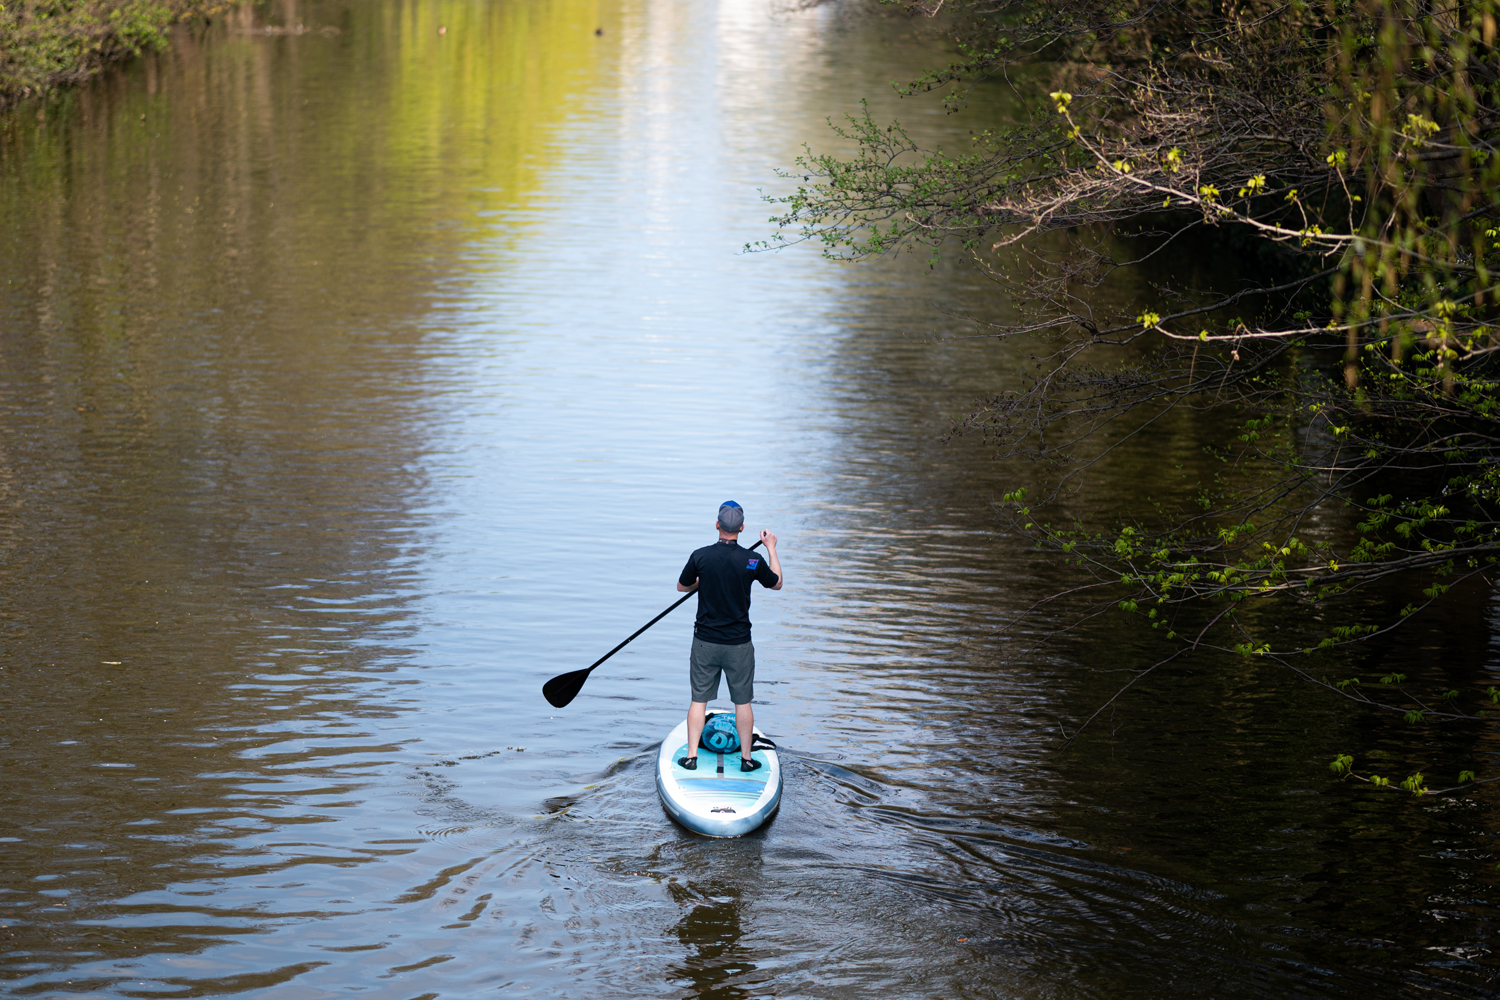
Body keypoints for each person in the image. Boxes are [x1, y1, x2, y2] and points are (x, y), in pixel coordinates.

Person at [675, 501, 782, 772]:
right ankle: (747, 760)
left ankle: (691, 758)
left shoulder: (701, 556)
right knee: (742, 702)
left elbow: (681, 587)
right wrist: (771, 547)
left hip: (705, 642)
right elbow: (777, 583)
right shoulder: (751, 560)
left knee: (699, 700)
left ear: (717, 525)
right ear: (742, 528)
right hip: (738, 644)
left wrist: (703, 581)